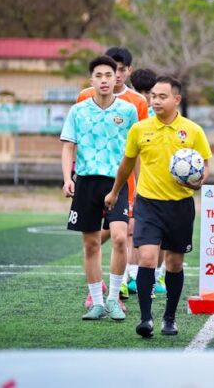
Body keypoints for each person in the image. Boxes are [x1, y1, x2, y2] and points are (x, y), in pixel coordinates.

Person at [105, 76, 212, 338]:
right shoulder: (140, 130)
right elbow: (127, 164)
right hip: (148, 204)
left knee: (174, 264)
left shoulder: (193, 130)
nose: (155, 100)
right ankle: (145, 319)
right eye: (153, 96)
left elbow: (204, 166)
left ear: (177, 99)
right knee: (147, 258)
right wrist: (115, 191)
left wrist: (198, 182)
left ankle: (169, 317)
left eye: (162, 96)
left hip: (180, 206)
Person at [61, 55, 138, 321]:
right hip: (86, 183)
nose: (105, 80)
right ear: (91, 79)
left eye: (109, 75)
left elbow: (134, 153)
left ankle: (114, 299)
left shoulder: (128, 111)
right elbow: (68, 146)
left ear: (117, 77)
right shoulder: (78, 110)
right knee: (91, 244)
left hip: (116, 183)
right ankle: (96, 302)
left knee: (119, 237)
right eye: (99, 76)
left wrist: (135, 186)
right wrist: (67, 178)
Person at [77, 47, 150, 306]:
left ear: (128, 71)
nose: (114, 76)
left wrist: (141, 184)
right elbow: (78, 137)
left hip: (124, 182)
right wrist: (73, 173)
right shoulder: (84, 98)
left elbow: (139, 149)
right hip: (90, 180)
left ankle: (116, 291)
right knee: (94, 238)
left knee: (122, 235)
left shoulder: (138, 103)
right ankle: (96, 289)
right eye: (110, 71)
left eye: (120, 70)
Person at [123, 68, 163, 296]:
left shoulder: (157, 112)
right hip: (132, 177)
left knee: (139, 230)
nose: (147, 97)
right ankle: (131, 276)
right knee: (129, 229)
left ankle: (153, 276)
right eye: (142, 91)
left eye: (149, 92)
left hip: (154, 179)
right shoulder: (132, 110)